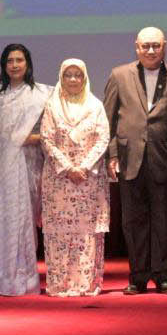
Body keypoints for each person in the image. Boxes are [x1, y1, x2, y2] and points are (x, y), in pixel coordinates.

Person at [101, 27, 167, 293]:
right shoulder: (119, 75)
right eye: (145, 46)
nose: (151, 51)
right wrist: (112, 155)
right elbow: (108, 120)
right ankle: (138, 277)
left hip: (166, 161)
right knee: (133, 223)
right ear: (136, 47)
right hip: (129, 160)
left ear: (164, 46)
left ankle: (163, 276)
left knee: (165, 222)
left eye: (156, 45)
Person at [0, 43, 50, 296]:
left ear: (27, 64)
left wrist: (30, 138)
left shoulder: (41, 94)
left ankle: (24, 280)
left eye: (19, 60)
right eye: (10, 61)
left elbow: (52, 130)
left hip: (28, 167)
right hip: (0, 169)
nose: (15, 65)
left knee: (23, 222)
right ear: (4, 65)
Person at [39, 57, 111, 297]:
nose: (73, 79)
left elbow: (103, 139)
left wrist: (85, 166)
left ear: (84, 78)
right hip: (59, 180)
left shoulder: (95, 105)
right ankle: (60, 284)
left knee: (87, 232)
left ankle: (86, 284)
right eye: (68, 75)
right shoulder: (52, 106)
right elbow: (47, 140)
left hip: (89, 181)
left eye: (77, 75)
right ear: (61, 78)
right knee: (59, 233)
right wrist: (68, 167)